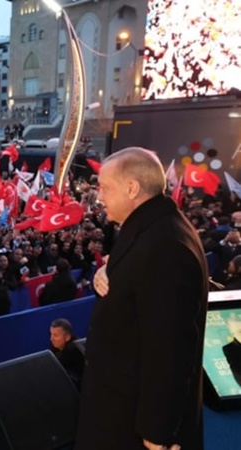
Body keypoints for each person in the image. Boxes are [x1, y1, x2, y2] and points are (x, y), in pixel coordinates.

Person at [77, 147, 208, 450]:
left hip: (134, 426)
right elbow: (139, 281)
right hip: (117, 408)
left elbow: (170, 349)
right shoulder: (153, 226)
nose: (99, 197)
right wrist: (109, 269)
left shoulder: (166, 246)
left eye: (105, 188)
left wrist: (156, 433)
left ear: (132, 188)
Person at [48, 318, 85, 387]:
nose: (51, 339)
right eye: (51, 334)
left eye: (55, 335)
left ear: (67, 337)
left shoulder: (76, 353)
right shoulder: (55, 350)